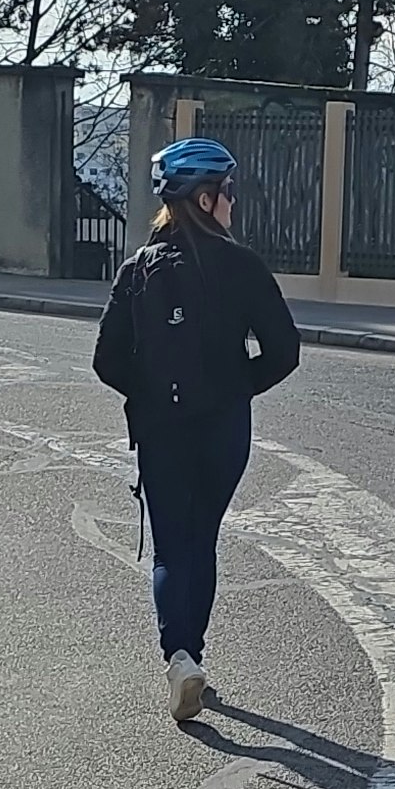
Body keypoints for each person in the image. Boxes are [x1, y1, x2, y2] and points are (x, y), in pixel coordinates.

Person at [90, 135, 303, 725]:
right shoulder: (241, 265)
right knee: (202, 539)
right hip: (223, 428)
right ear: (206, 199)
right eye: (228, 191)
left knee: (170, 547)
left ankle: (178, 656)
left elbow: (107, 361)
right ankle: (194, 655)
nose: (233, 202)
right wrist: (236, 386)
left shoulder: (138, 270)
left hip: (161, 429)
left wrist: (153, 393)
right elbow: (284, 350)